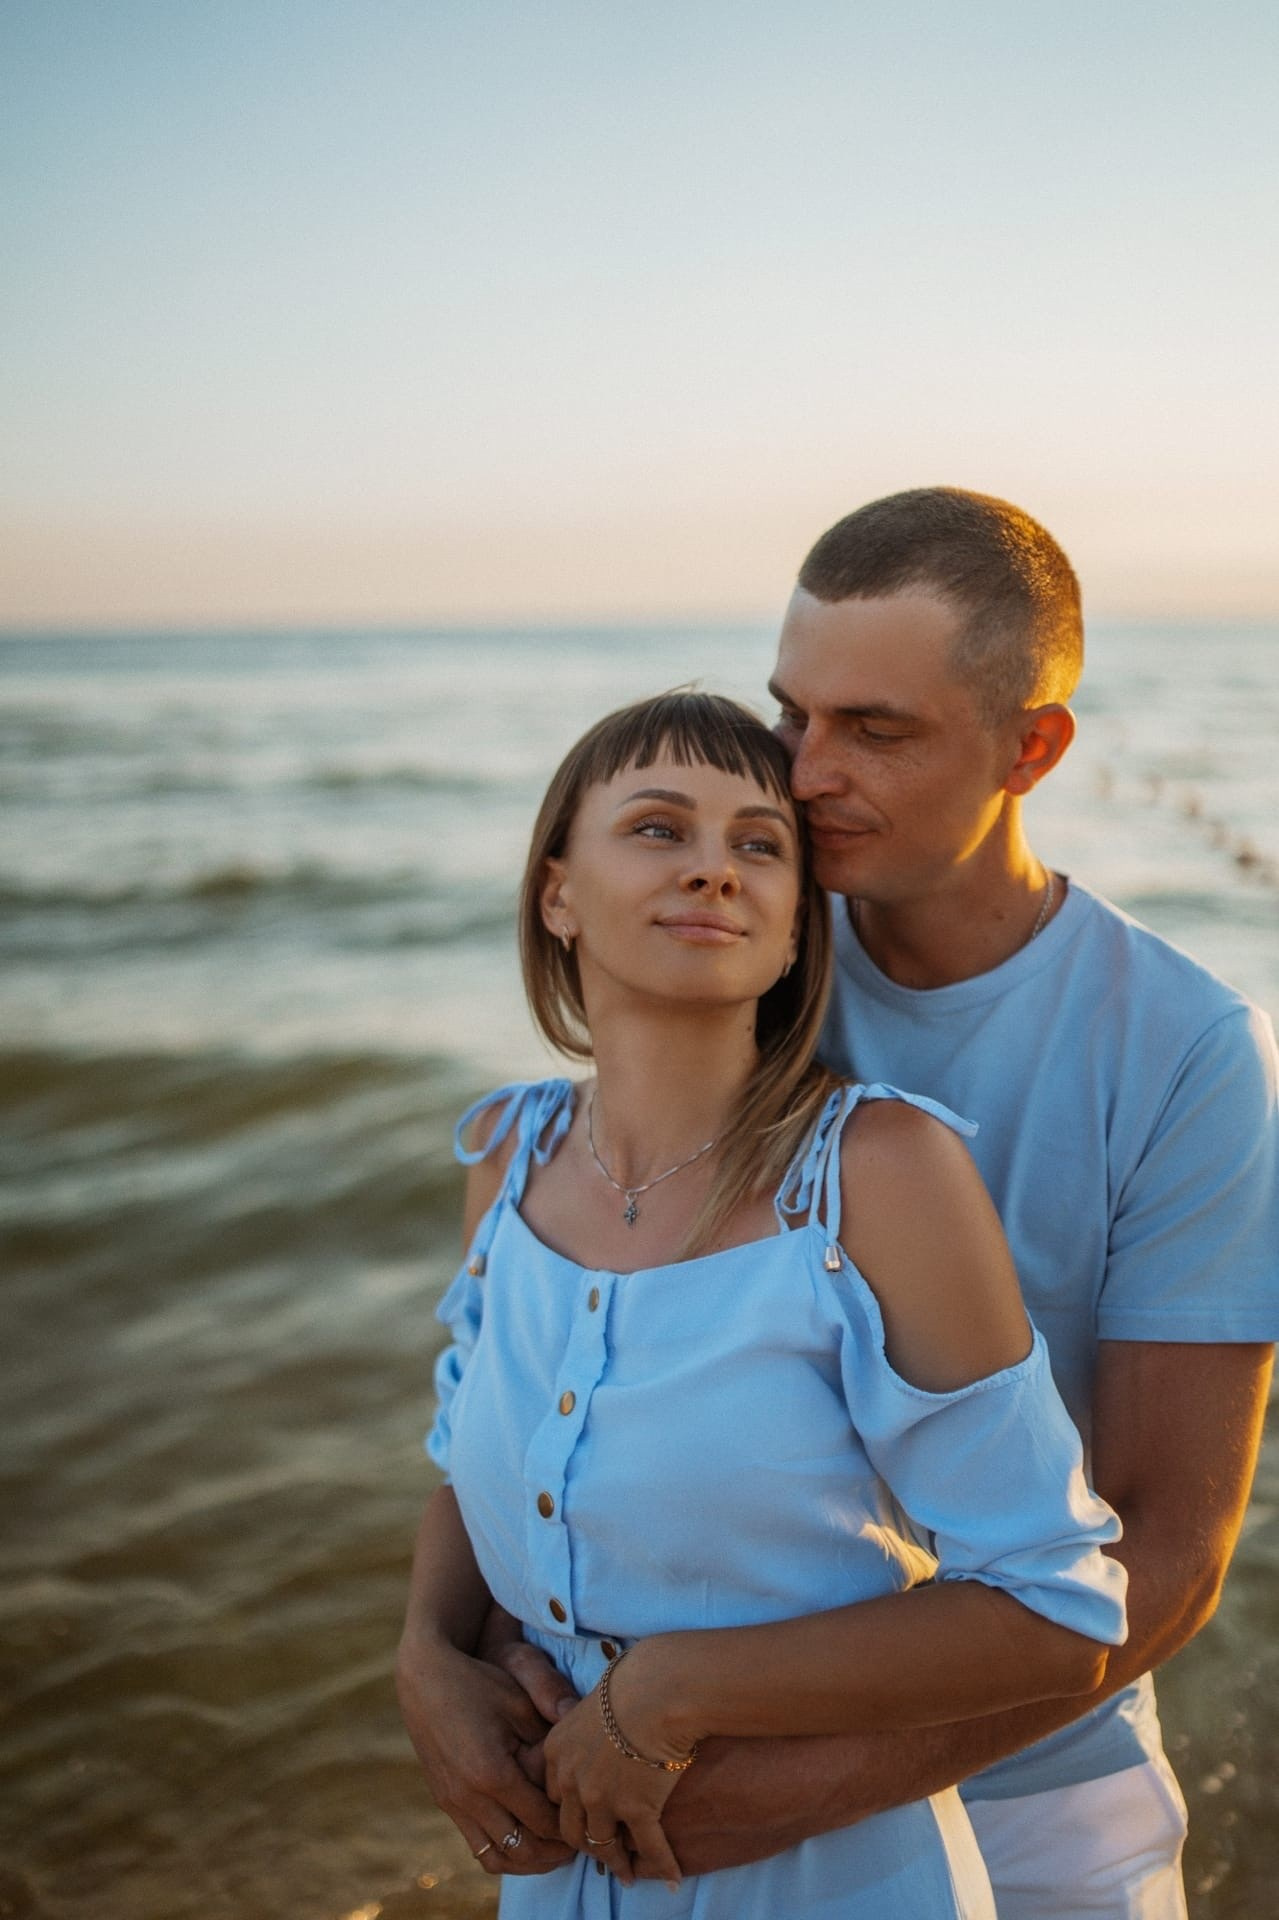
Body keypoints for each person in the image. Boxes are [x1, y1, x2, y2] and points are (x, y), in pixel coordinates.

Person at [476, 490, 1277, 1918]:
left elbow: (1164, 1554)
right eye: (792, 713)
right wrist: (434, 1656)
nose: (801, 771)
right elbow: (545, 1339)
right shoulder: (739, 942)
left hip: (1036, 1786)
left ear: (1028, 749)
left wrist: (806, 1789)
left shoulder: (1181, 1048)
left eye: (874, 730)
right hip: (683, 1773)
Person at [399, 688, 1129, 1917]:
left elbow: (1055, 1607)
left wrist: (671, 1692)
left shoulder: (876, 1176)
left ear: (796, 930)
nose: (713, 873)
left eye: (757, 846)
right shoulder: (507, 1160)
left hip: (829, 1879)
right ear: (556, 891)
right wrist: (424, 1656)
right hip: (561, 1880)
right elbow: (466, 1474)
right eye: (657, 830)